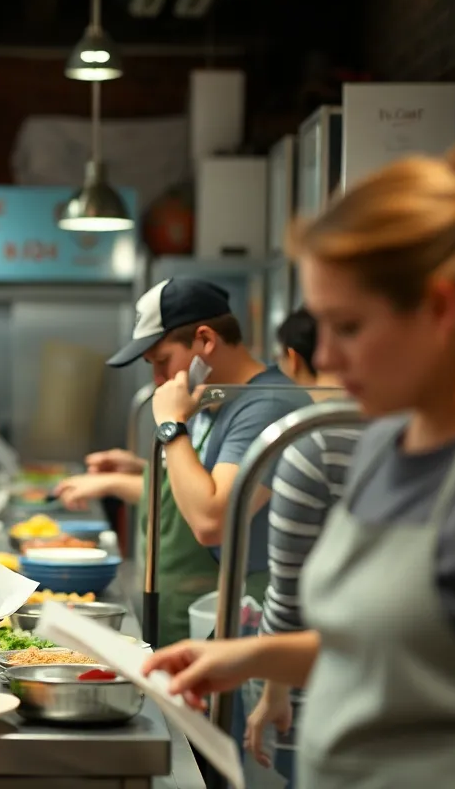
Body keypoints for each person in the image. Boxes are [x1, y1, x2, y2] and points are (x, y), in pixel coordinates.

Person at [145, 132, 455, 788]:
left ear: (440, 310)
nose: (325, 357)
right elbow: (395, 651)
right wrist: (247, 656)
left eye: (350, 326)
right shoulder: (384, 447)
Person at [54, 277, 312, 647]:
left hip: (263, 611)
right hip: (225, 600)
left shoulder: (267, 405)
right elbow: (202, 480)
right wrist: (142, 469)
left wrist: (172, 426)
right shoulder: (215, 397)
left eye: (162, 361)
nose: (159, 379)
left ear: (205, 340)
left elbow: (211, 520)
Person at [244, 308, 363, 783]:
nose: (330, 354)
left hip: (324, 699)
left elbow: (288, 596)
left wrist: (273, 688)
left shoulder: (312, 444)